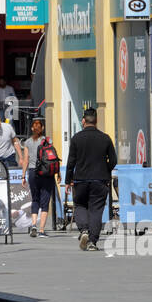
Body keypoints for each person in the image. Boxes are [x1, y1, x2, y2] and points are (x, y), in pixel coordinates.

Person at [64, 107, 116, 251]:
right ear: (97, 120)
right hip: (100, 179)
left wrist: (68, 181)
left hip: (80, 179)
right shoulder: (105, 138)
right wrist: (105, 170)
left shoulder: (76, 138)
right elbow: (113, 160)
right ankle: (93, 241)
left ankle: (84, 230)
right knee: (96, 210)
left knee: (80, 205)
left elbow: (70, 162)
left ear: (83, 121)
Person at [21, 116, 55, 238]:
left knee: (35, 199)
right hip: (46, 173)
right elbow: (52, 158)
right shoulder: (47, 141)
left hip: (32, 173)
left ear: (31, 128)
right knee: (45, 202)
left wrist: (23, 176)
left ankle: (34, 225)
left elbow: (25, 160)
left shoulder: (28, 142)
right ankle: (41, 230)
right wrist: (59, 173)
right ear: (43, 128)